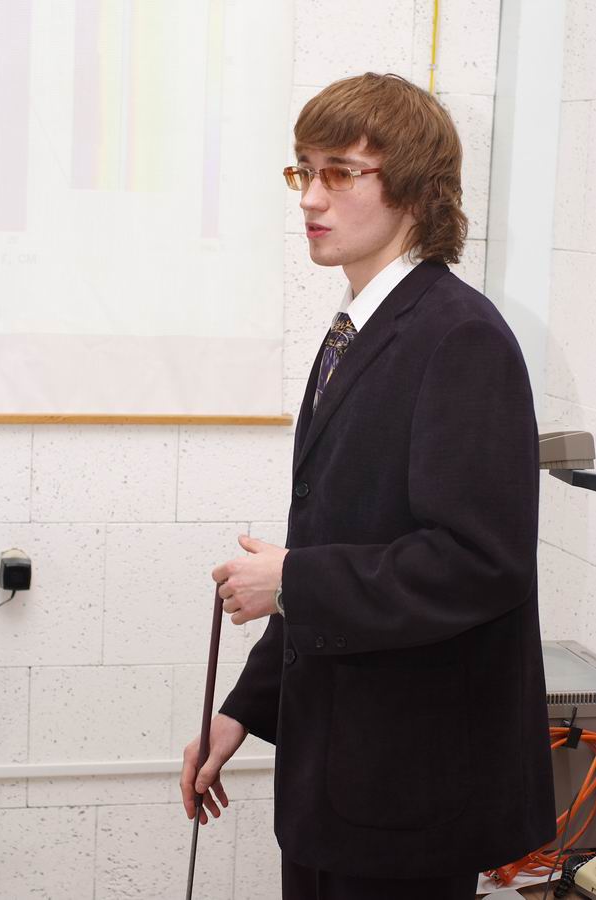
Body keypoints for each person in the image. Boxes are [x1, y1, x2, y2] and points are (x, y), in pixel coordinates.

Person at [180, 72, 556, 899]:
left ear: (414, 189)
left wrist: (290, 579)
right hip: (334, 776)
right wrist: (242, 709)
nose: (310, 197)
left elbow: (479, 562)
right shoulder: (355, 330)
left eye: (339, 173)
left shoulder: (459, 337)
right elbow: (332, 547)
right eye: (303, 170)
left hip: (408, 790)